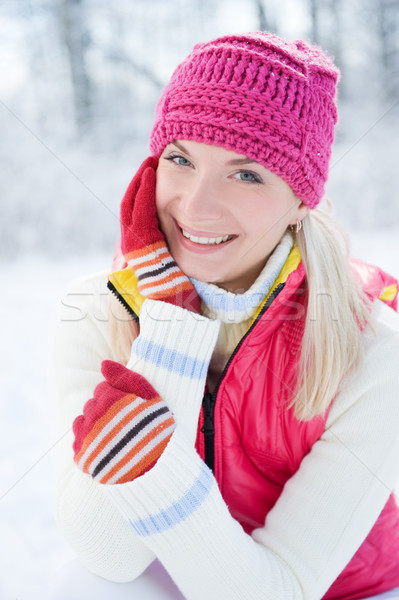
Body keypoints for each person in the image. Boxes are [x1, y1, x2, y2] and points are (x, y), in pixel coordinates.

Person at [50, 31, 399, 600]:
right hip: (181, 570)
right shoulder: (97, 312)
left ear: (300, 203)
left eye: (247, 173)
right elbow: (108, 555)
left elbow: (278, 590)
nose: (196, 205)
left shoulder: (374, 346)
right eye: (180, 159)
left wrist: (145, 451)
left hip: (346, 591)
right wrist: (169, 322)